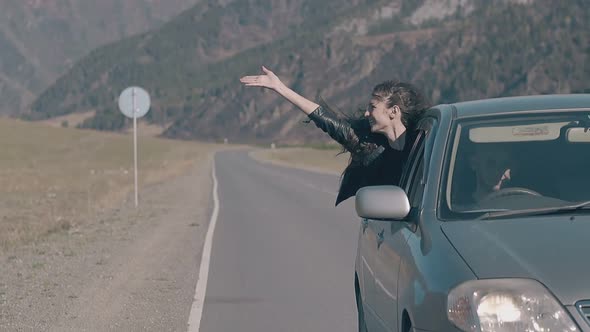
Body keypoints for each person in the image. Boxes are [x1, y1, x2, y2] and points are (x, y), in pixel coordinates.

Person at [240, 66, 430, 205]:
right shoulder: (368, 145)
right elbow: (326, 119)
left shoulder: (428, 142)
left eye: (372, 107)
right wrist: (280, 88)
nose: (366, 113)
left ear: (393, 111)